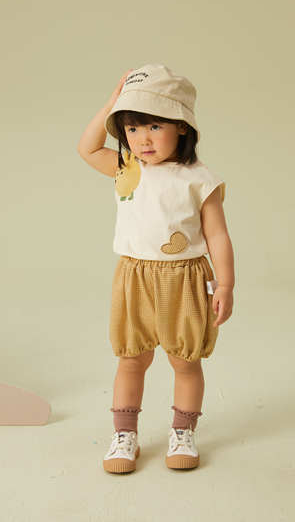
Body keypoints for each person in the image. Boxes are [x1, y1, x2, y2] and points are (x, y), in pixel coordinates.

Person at [77, 64, 235, 473]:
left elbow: (217, 235)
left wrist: (225, 285)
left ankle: (183, 432)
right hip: (134, 277)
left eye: (153, 126)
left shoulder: (199, 179)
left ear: (182, 126)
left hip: (185, 279)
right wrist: (112, 103)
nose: (142, 139)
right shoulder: (127, 168)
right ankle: (124, 435)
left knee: (185, 360)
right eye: (131, 128)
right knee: (131, 358)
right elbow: (87, 149)